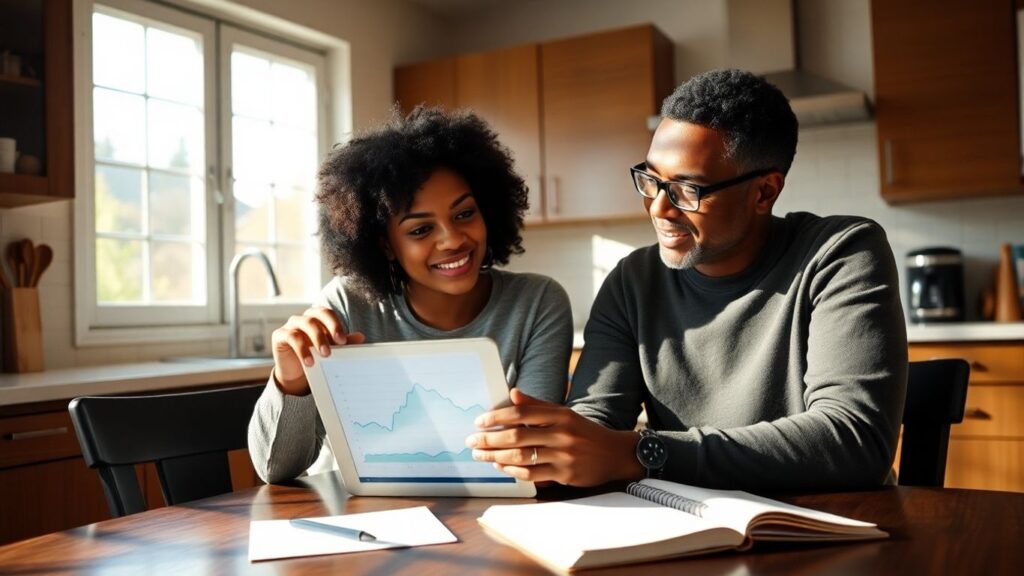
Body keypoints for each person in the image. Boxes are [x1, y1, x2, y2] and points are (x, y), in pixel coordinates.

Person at [467, 69, 908, 490]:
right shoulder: (632, 281)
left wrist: (643, 453)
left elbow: (855, 439)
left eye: (687, 189)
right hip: (693, 529)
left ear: (764, 192)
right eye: (651, 179)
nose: (659, 207)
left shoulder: (842, 252)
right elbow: (598, 424)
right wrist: (557, 449)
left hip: (829, 530)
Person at [249, 107, 574, 484]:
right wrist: (291, 383)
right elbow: (275, 470)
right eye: (420, 230)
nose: (453, 240)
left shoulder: (537, 304)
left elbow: (532, 456)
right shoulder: (347, 305)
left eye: (465, 213)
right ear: (385, 246)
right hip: (359, 516)